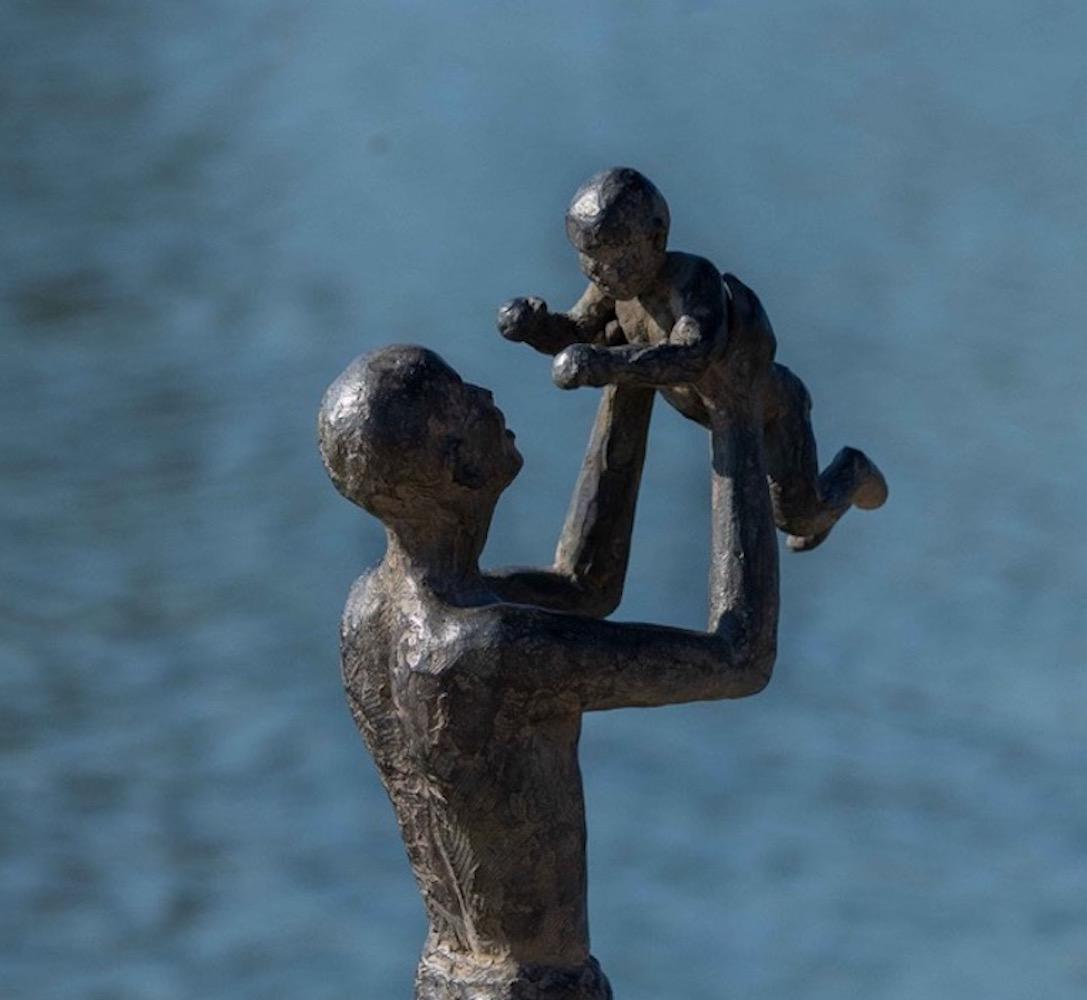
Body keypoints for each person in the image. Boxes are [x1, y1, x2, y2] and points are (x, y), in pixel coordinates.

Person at [317, 275, 779, 999]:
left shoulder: (369, 614)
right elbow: (739, 657)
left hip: (445, 981)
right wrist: (737, 416)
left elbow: (584, 588)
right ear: (458, 464)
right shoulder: (488, 650)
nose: (486, 397)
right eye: (464, 398)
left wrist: (625, 372)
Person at [498, 166, 887, 551]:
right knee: (788, 512)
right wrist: (535, 327)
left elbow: (692, 355)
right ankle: (814, 505)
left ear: (655, 238)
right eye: (587, 257)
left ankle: (852, 472)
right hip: (706, 409)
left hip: (770, 413)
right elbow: (579, 331)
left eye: (613, 257)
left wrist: (605, 364)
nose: (597, 271)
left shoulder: (692, 280)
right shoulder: (613, 287)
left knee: (795, 516)